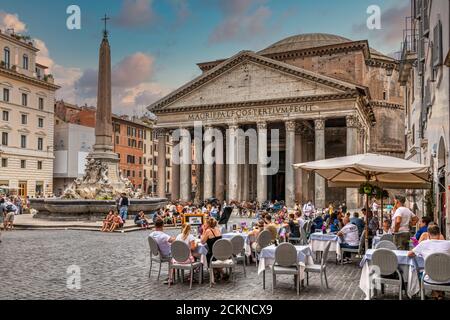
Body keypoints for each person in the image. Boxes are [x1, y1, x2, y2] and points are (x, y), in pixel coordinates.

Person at [408, 225, 450, 300]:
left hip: (429, 279)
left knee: (427, 271)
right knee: (440, 269)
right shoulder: (448, 243)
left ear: (428, 234)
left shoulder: (424, 244)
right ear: (440, 233)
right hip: (447, 279)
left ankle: (436, 294)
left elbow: (410, 254)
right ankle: (438, 294)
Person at [149, 218, 176, 284]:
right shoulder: (164, 236)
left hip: (159, 253)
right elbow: (175, 241)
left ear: (155, 225)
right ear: (163, 225)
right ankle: (171, 277)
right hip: (167, 254)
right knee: (178, 253)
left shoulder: (151, 235)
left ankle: (172, 275)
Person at [200, 217, 224, 282]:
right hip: (220, 252)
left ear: (208, 224)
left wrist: (204, 230)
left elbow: (202, 241)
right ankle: (219, 272)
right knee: (209, 253)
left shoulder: (208, 231)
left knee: (205, 254)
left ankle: (218, 273)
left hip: (212, 254)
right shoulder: (218, 229)